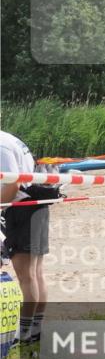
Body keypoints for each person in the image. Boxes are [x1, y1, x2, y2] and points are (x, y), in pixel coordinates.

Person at [0, 132, 48, 345]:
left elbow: (13, 184)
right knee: (36, 273)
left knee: (27, 275)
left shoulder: (1, 146)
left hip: (22, 208)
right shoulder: (9, 139)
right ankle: (35, 329)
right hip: (35, 204)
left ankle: (26, 333)